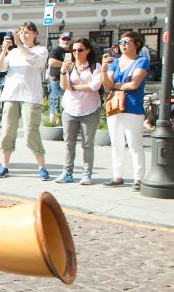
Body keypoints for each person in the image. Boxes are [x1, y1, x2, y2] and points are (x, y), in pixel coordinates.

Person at [0, 22, 50, 180]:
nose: (23, 35)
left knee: (30, 133)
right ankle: (4, 166)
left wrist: (20, 44)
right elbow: (0, 68)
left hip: (31, 96)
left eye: (27, 32)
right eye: (21, 32)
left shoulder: (41, 50)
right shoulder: (13, 53)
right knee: (7, 131)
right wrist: (5, 49)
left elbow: (34, 62)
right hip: (11, 95)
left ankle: (42, 166)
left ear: (35, 34)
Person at [101, 31, 150, 190]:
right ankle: (118, 176)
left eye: (126, 41)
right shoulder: (114, 62)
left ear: (136, 44)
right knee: (116, 143)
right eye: (121, 41)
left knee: (134, 144)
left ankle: (138, 178)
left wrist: (114, 85)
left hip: (132, 106)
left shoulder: (141, 61)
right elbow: (107, 85)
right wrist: (103, 70)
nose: (122, 44)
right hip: (115, 106)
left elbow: (134, 84)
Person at [56, 38, 102, 185]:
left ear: (88, 50)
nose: (76, 53)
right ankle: (67, 172)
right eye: (74, 50)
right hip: (70, 109)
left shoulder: (95, 66)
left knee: (87, 144)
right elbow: (64, 86)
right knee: (69, 143)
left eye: (80, 50)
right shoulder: (70, 67)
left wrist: (75, 87)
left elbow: (95, 86)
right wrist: (63, 71)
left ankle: (87, 174)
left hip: (90, 110)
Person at [47, 32, 72, 123]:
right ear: (59, 40)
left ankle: (62, 121)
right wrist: (64, 64)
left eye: (68, 39)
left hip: (67, 78)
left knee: (66, 100)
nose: (65, 41)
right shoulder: (56, 49)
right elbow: (51, 62)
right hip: (56, 78)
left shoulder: (71, 50)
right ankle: (53, 122)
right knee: (55, 99)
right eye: (64, 39)